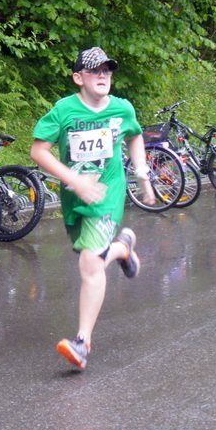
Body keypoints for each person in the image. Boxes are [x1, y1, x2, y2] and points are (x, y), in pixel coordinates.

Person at [30, 46, 156, 369]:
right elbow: (39, 151)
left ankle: (82, 342)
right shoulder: (64, 110)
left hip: (106, 195)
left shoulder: (122, 108)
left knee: (89, 264)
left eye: (107, 70)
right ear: (78, 78)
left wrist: (142, 174)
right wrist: (75, 180)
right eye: (95, 70)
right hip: (76, 197)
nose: (103, 75)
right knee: (94, 257)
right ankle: (123, 249)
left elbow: (135, 136)